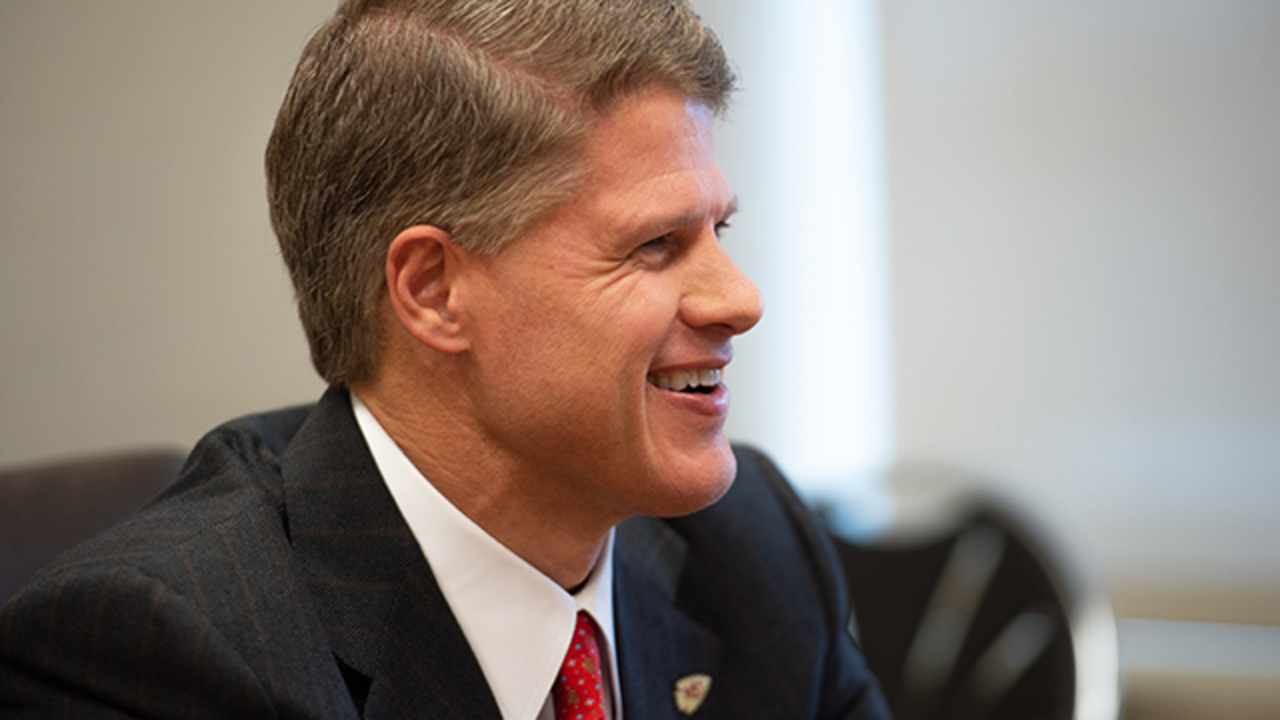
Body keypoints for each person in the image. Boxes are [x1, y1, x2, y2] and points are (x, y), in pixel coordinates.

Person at [0, 1, 890, 718]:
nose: (740, 298)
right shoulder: (160, 654)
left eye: (717, 229)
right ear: (432, 292)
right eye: (656, 244)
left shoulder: (750, 547)